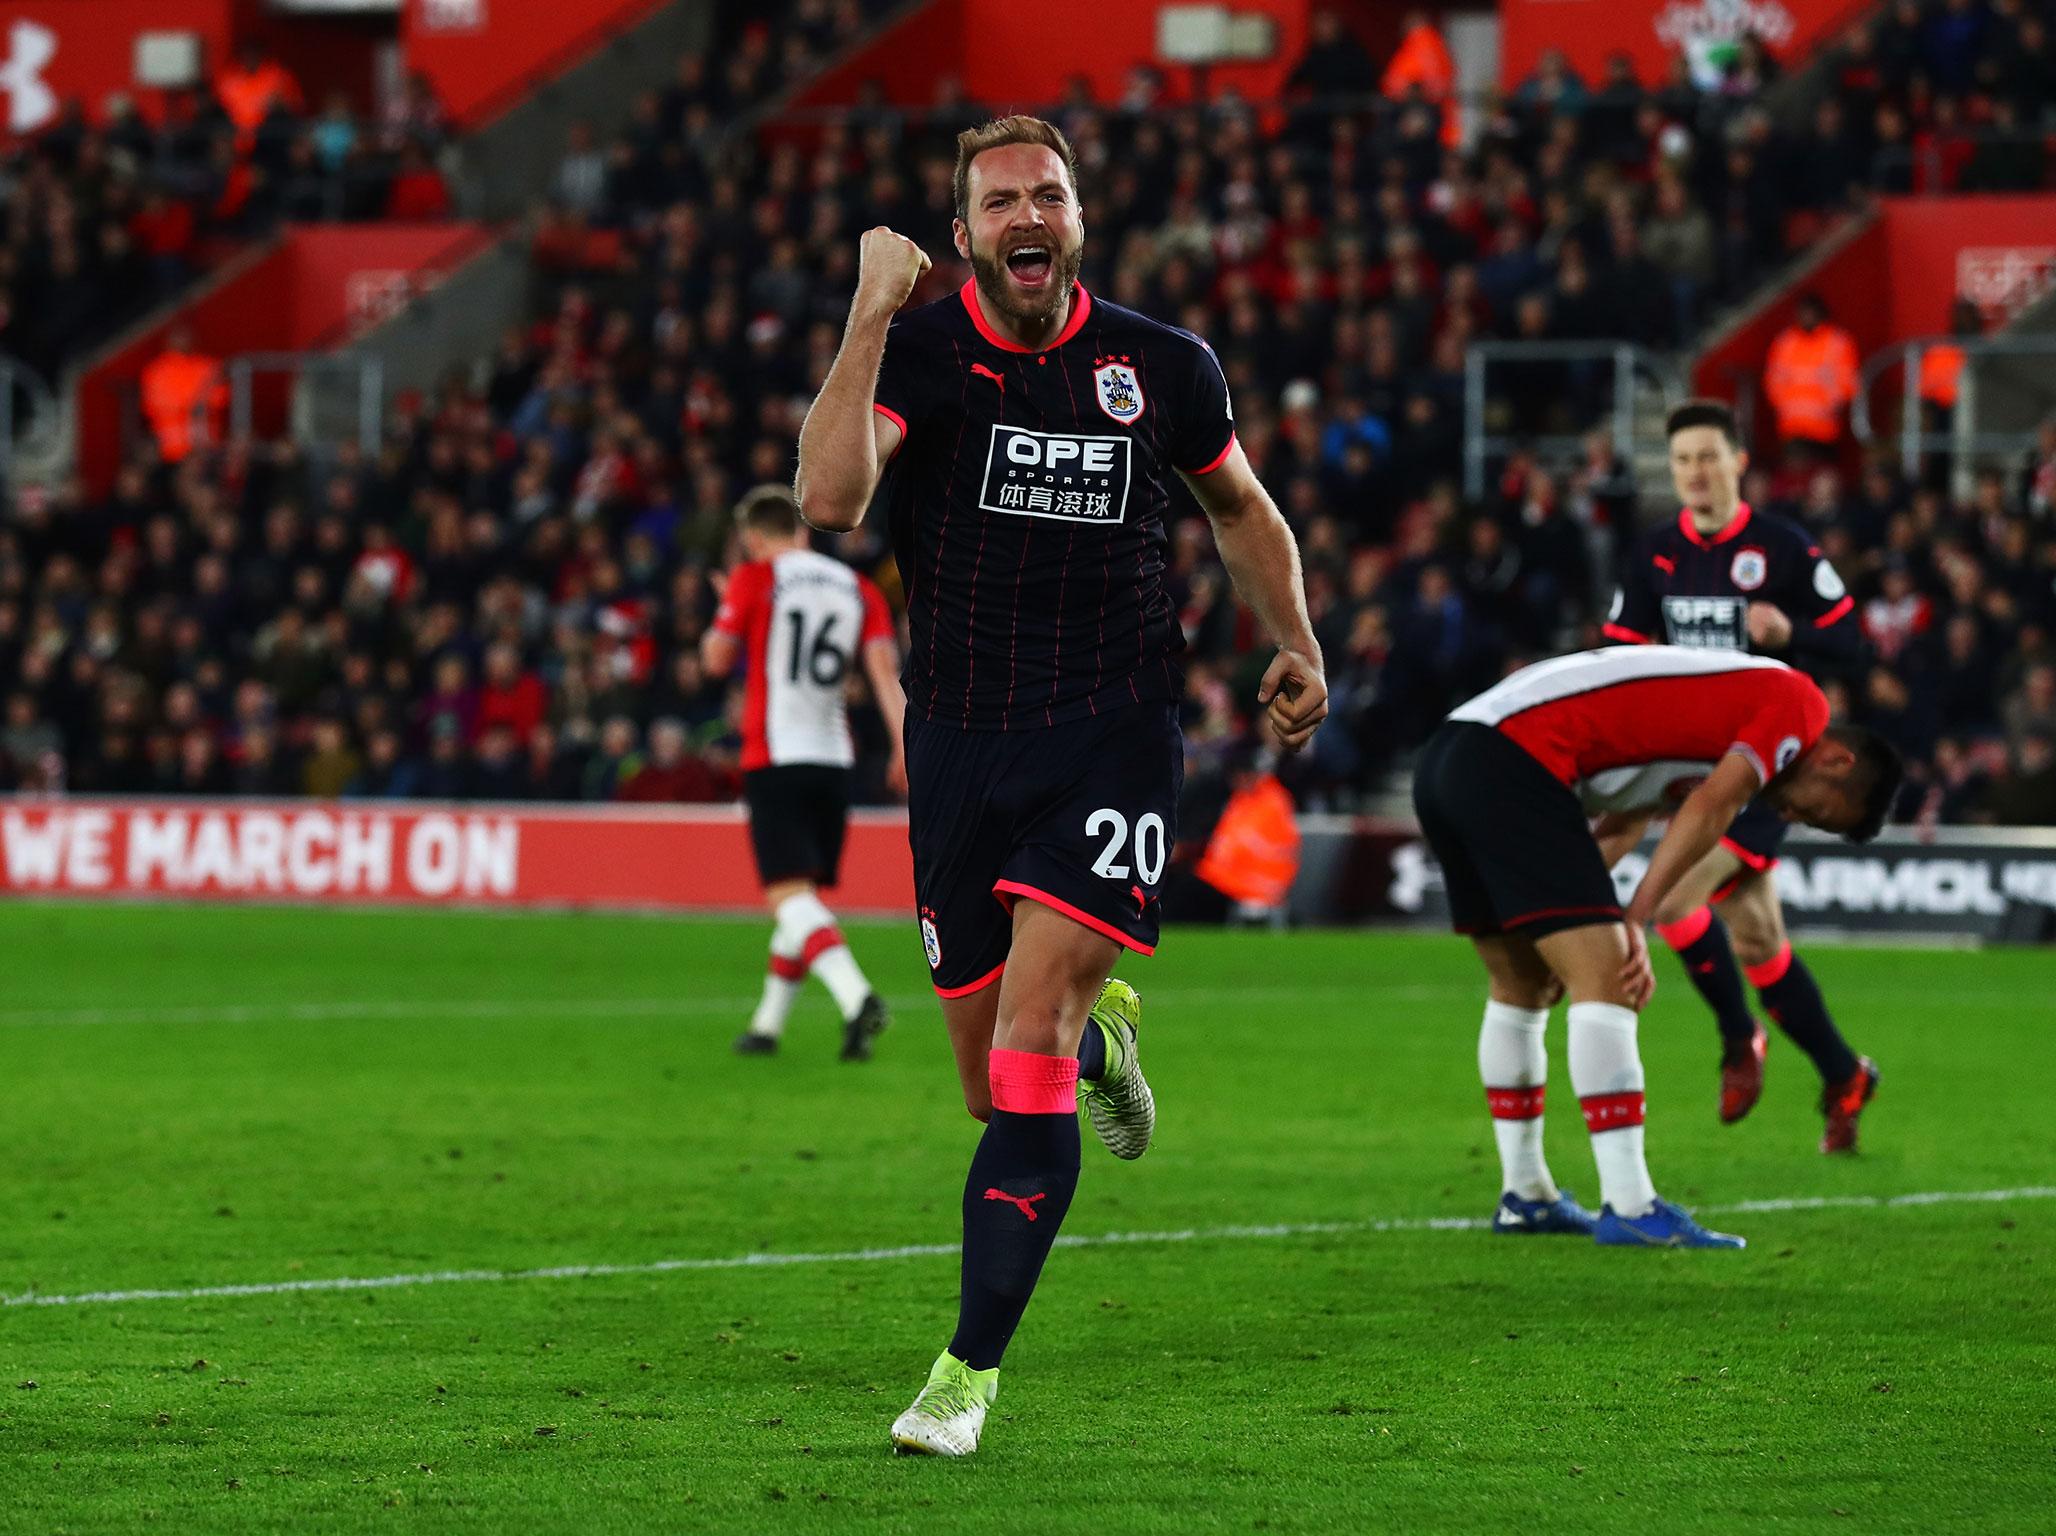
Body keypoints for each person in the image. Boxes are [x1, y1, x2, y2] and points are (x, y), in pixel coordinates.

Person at [795, 116, 1326, 1456]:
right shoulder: (921, 351)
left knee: (1020, 1056)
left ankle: (963, 1377)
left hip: (1113, 733)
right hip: (962, 746)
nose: (1029, 216)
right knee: (993, 1084)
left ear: (1077, 216)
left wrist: (1296, 644)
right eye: (1000, 202)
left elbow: (1242, 512)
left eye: (1051, 194)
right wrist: (868, 306)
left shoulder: (1160, 365)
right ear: (964, 233)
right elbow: (830, 497)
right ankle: (1101, 1038)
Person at [1413, 646, 1903, 1248]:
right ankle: (1631, 1204)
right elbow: (1711, 805)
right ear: (1835, 759)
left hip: (1451, 760)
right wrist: (1631, 923)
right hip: (1515, 760)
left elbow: (1627, 818)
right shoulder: (1800, 704)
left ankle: (1527, 1194)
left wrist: (1579, 905)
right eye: (1820, 810)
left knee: (1524, 984)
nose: (1795, 814)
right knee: (1609, 977)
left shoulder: (1708, 729)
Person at [1603, 400, 1880, 1150]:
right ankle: (1845, 1073)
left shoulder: (1784, 548)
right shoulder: (1655, 553)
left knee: (1677, 900)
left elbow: (1854, 641)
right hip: (1696, 765)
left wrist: (1794, 632)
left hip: (1767, 767)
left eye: (1707, 456)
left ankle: (1737, 1041)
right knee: (1757, 943)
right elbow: (1617, 650)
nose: (1694, 471)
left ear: (1738, 462)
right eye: (1683, 460)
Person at [701, 485, 904, 1062]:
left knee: (787, 896)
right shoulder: (858, 588)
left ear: (752, 538)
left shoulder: (757, 578)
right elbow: (886, 674)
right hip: (834, 759)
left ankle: (855, 995)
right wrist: (902, 747)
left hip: (776, 754)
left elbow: (715, 660)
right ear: (804, 530)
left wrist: (724, 607)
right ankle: (767, 1026)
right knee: (804, 895)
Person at [1763, 293, 1859, 453]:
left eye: (1810, 313)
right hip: (1791, 427)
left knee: (1822, 474)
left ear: (1820, 313)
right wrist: (1782, 406)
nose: (1806, 317)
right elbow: (1773, 380)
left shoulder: (1837, 342)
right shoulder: (1785, 342)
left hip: (1824, 428)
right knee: (1794, 473)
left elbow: (1848, 381)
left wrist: (1832, 404)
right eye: (1802, 313)